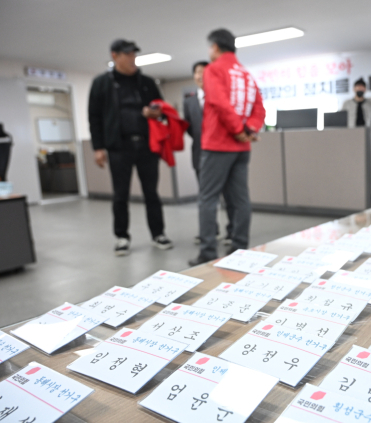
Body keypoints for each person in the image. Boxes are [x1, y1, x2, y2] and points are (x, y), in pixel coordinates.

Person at [88, 39, 173, 256]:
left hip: (146, 145)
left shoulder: (147, 82)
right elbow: (94, 117)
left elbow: (162, 109)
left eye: (134, 54)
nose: (132, 58)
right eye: (128, 54)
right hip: (119, 147)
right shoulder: (101, 83)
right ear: (115, 56)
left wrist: (155, 113)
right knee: (120, 194)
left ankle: (158, 234)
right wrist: (98, 147)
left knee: (151, 192)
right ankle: (122, 237)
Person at [189, 29, 265, 266]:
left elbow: (219, 103)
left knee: (208, 199)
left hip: (218, 145)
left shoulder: (214, 70)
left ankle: (208, 252)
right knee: (240, 199)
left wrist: (237, 130)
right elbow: (259, 108)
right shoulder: (246, 74)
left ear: (214, 47)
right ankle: (240, 247)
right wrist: (249, 130)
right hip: (241, 148)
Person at [183, 61, 234, 245]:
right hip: (200, 153)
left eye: (204, 72)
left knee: (229, 195)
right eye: (197, 72)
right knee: (206, 196)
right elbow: (190, 127)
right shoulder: (189, 101)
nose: (201, 76)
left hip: (222, 152)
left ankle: (232, 231)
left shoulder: (222, 96)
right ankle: (210, 231)